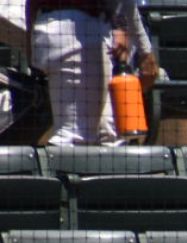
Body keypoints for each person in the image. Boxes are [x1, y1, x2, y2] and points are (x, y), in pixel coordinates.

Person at [30, 0, 154, 145]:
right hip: (79, 29)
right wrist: (144, 51)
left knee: (109, 133)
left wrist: (30, 39)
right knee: (74, 136)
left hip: (50, 27)